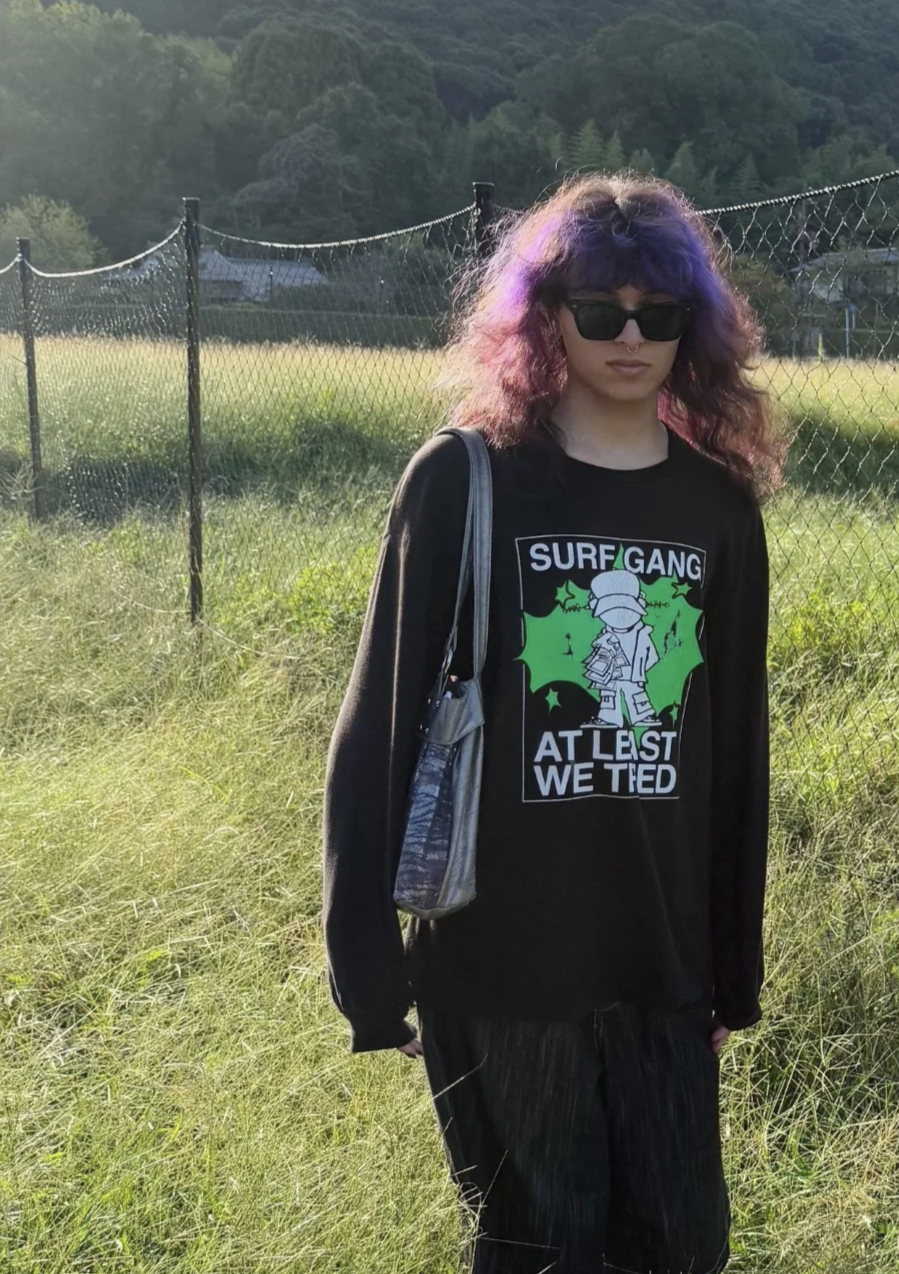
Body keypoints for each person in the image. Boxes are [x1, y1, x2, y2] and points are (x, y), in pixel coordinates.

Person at [322, 170, 789, 1274]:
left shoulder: (717, 509)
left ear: (692, 328)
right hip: (499, 961)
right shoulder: (463, 480)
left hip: (659, 957)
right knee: (541, 1248)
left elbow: (734, 755)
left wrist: (732, 964)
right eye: (598, 309)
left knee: (682, 1246)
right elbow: (378, 726)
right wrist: (367, 966)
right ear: (546, 317)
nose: (629, 336)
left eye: (657, 314)